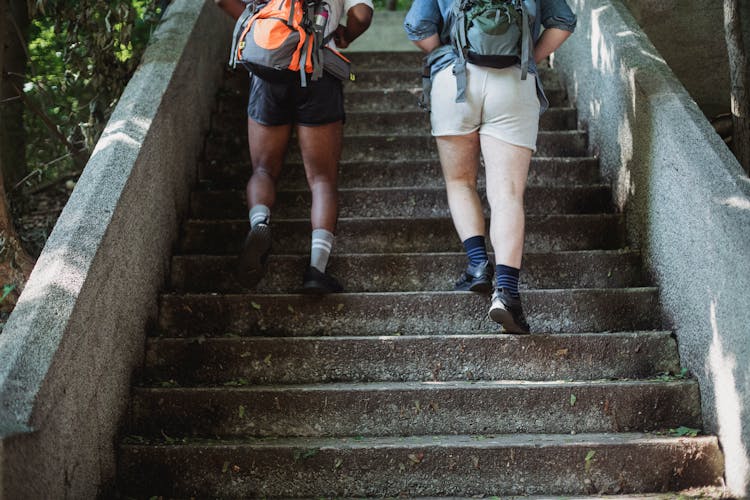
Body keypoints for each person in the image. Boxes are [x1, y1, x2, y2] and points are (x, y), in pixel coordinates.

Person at [403, 0, 576, 333]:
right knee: (507, 194)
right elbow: (563, 22)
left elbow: (417, 26)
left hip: (455, 81)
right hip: (513, 80)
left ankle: (479, 264)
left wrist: (446, 52)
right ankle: (507, 292)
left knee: (460, 181)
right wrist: (530, 59)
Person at [215, 0, 373, 294]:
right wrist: (346, 35)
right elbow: (362, 15)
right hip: (319, 69)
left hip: (268, 70)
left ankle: (259, 221)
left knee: (263, 169)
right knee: (322, 179)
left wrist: (259, 29)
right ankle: (316, 270)